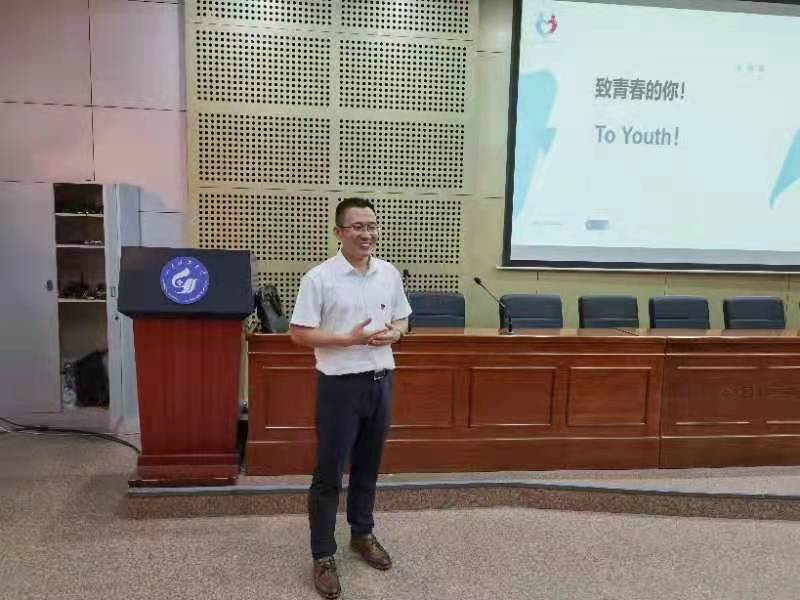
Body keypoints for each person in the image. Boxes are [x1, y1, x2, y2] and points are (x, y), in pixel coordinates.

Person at [289, 197, 412, 600]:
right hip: (339, 387)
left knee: (368, 468)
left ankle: (362, 533)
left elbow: (403, 318)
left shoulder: (388, 273)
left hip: (381, 382)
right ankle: (323, 555)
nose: (367, 234)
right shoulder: (319, 278)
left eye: (372, 226)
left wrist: (396, 333)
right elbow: (299, 333)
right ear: (339, 232)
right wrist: (347, 339)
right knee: (329, 474)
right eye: (358, 226)